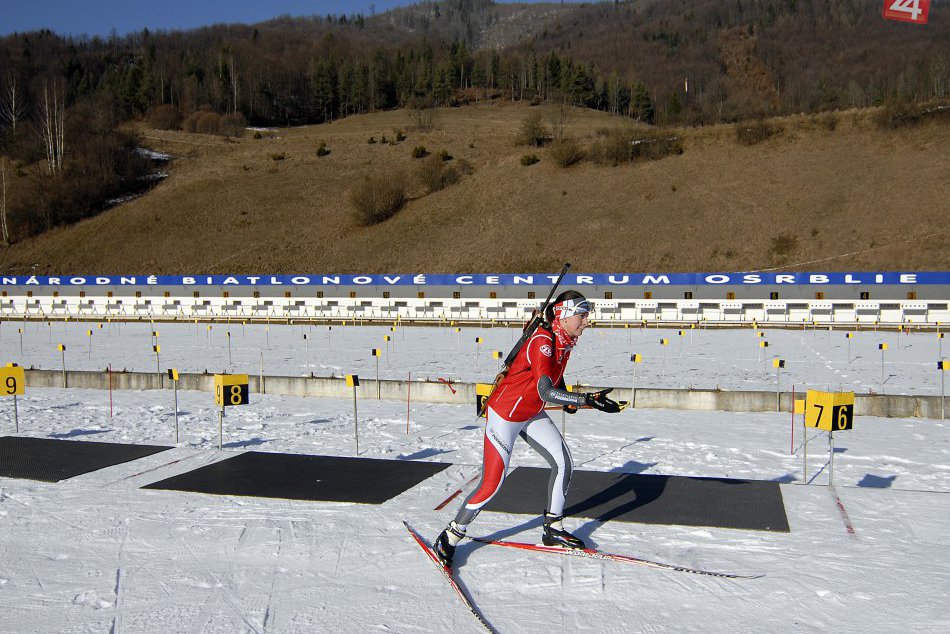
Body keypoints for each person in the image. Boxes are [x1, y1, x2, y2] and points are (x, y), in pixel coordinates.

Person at [433, 290, 623, 566]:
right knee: (492, 484)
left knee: (563, 463)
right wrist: (584, 400)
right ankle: (451, 535)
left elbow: (553, 378)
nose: (586, 322)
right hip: (506, 416)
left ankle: (553, 529)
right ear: (564, 315)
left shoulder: (564, 339)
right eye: (582, 316)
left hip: (531, 412)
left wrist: (570, 397)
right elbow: (546, 390)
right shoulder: (543, 341)